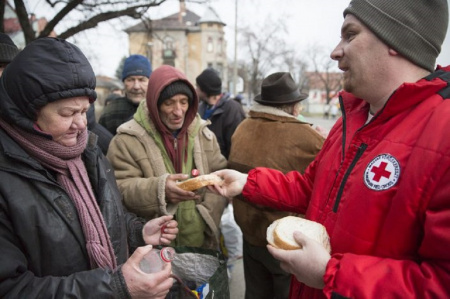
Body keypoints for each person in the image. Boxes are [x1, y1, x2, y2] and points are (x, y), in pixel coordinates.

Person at [208, 0, 450, 298]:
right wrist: (247, 183)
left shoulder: (443, 131)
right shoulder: (351, 119)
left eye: (350, 35)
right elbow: (313, 187)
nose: (335, 51)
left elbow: (441, 283)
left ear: (396, 39)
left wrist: (330, 275)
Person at [0, 37, 180, 298]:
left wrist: (137, 231)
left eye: (84, 111)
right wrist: (115, 288)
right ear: (28, 112)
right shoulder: (7, 176)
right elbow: (10, 289)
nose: (82, 124)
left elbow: (103, 216)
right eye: (67, 114)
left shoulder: (88, 152)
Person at [107, 65, 228, 250]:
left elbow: (220, 177)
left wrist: (206, 215)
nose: (178, 111)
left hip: (200, 243)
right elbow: (118, 189)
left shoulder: (204, 134)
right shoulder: (126, 140)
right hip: (152, 248)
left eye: (184, 101)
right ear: (155, 104)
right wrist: (159, 190)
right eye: (169, 103)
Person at [228, 72, 325, 299]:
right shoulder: (307, 137)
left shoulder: (242, 127)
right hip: (284, 240)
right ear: (291, 106)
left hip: (249, 233)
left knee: (254, 293)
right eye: (298, 105)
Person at [196, 68, 246, 159]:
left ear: (204, 89)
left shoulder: (233, 109)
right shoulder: (200, 107)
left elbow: (237, 145)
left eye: (198, 87)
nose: (196, 90)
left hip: (223, 166)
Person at [99, 54, 152, 135]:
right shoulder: (111, 112)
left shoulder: (159, 110)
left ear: (150, 82)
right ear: (123, 82)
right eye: (130, 80)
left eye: (142, 80)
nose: (136, 86)